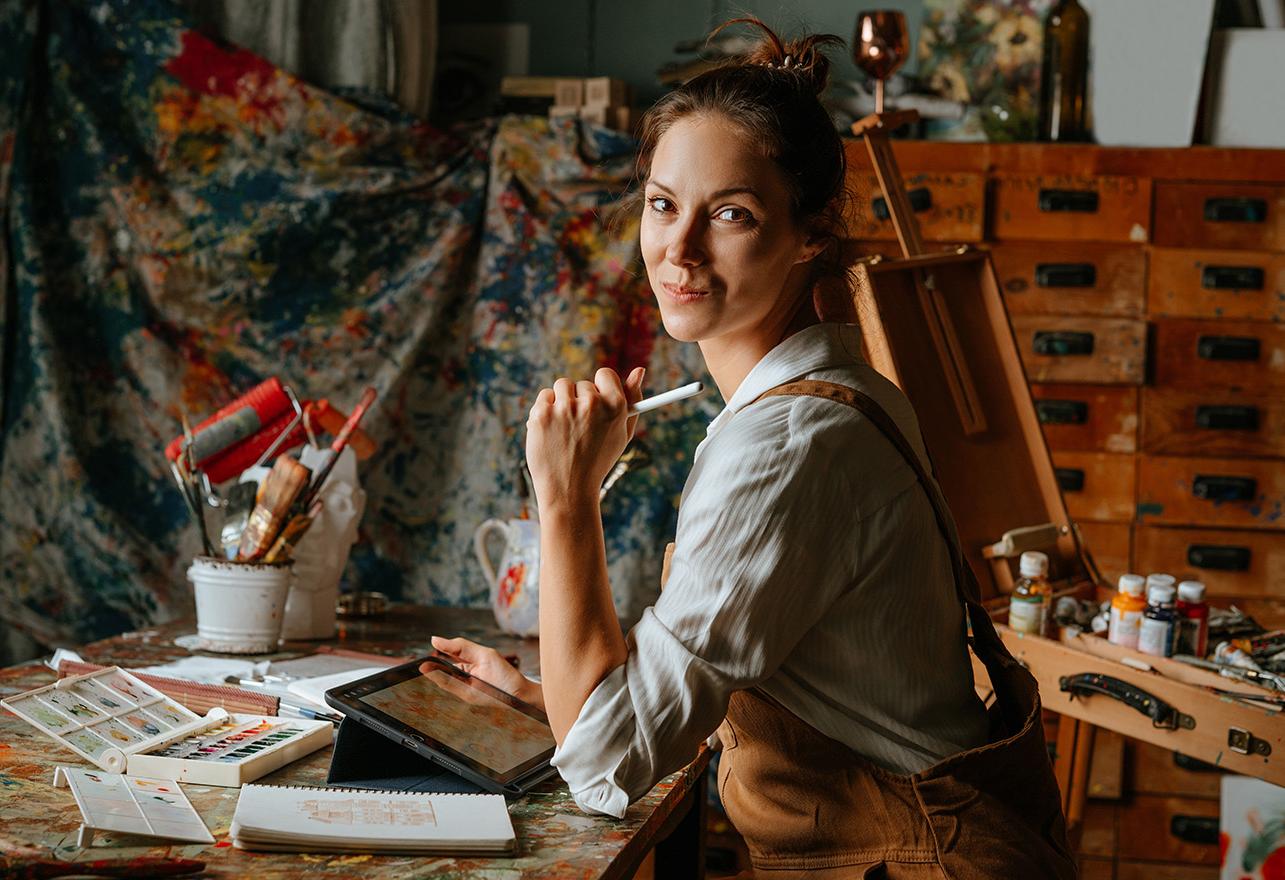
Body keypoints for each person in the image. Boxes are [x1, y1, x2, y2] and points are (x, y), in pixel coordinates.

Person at [434, 17, 1075, 878]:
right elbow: (718, 680)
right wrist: (546, 701)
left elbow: (607, 764)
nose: (679, 249)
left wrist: (565, 497)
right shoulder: (830, 391)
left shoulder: (785, 446)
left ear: (811, 234)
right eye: (663, 206)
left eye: (729, 213)